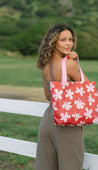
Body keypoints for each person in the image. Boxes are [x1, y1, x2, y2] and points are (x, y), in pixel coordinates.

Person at [35, 23, 89, 170]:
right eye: (63, 39)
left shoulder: (45, 65)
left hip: (48, 120)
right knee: (71, 165)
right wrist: (74, 61)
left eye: (70, 39)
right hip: (67, 122)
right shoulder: (69, 64)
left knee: (46, 166)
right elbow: (88, 88)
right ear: (53, 42)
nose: (68, 43)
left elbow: (48, 96)